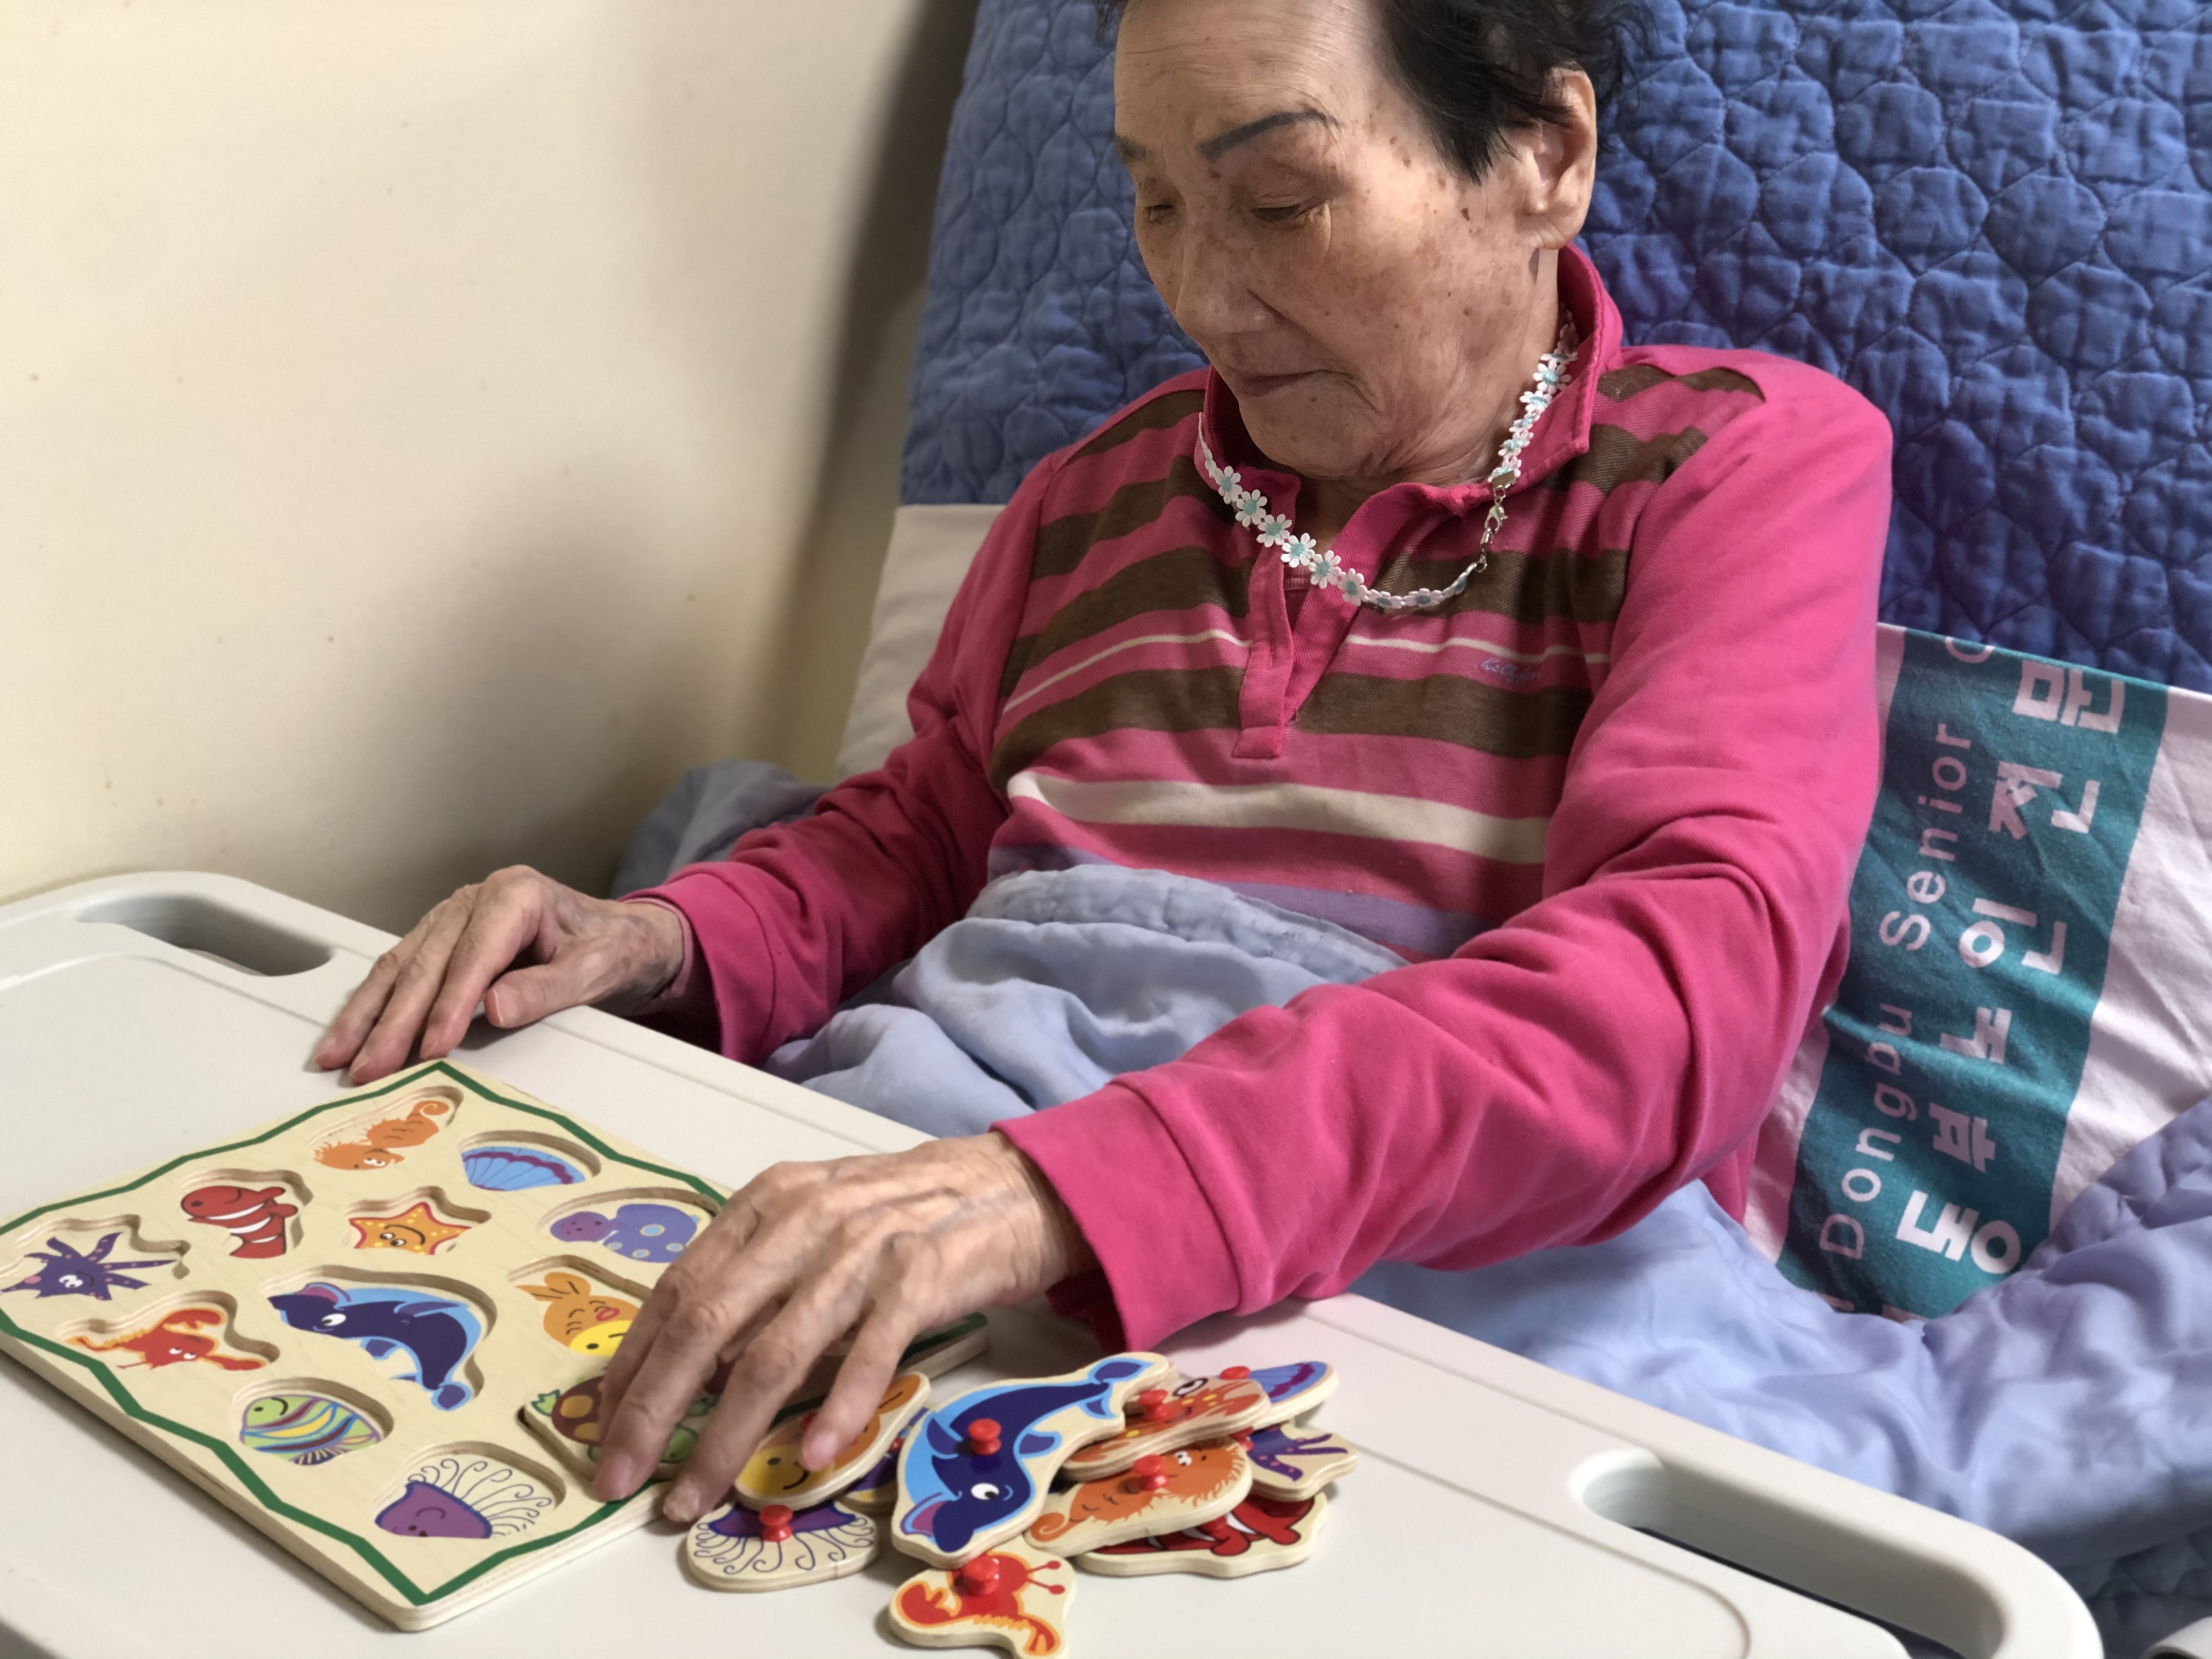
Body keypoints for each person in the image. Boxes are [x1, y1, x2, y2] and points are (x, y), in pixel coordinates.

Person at [312, 0, 1892, 1525]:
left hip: (1392, 1294)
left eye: (1281, 201)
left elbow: (1678, 982)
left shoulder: (1731, 470)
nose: (1205, 297)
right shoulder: (1090, 499)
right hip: (939, 1170)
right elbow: (912, 845)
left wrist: (1074, 1190)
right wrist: (663, 937)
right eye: (1156, 203)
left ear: (1546, 152)